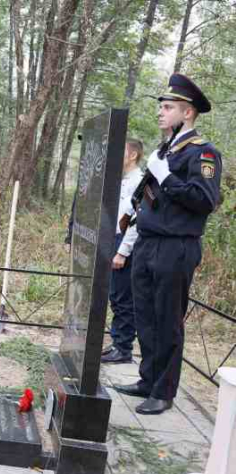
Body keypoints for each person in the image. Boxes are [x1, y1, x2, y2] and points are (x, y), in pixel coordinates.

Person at [114, 74, 222, 415]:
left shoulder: (202, 153)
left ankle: (164, 391)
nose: (161, 113)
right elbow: (150, 195)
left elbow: (204, 199)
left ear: (187, 113)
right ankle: (148, 380)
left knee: (166, 319)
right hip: (147, 243)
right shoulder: (165, 151)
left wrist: (166, 177)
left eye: (168, 107)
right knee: (145, 316)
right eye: (160, 106)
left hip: (175, 247)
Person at [101, 138, 144, 364]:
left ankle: (123, 348)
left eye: (121, 152)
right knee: (116, 296)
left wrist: (123, 251)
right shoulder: (122, 180)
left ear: (133, 155)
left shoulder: (140, 181)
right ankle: (117, 343)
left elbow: (136, 221)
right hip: (114, 238)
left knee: (123, 297)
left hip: (127, 243)